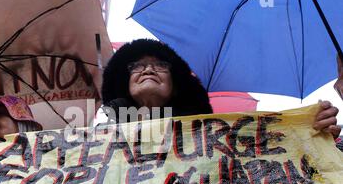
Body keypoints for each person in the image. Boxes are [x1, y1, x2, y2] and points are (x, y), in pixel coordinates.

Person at [99, 38, 341, 139]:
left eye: (160, 65)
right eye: (137, 66)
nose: (148, 70)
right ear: (124, 82)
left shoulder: (213, 136)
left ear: (176, 87)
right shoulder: (97, 136)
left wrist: (308, 134)